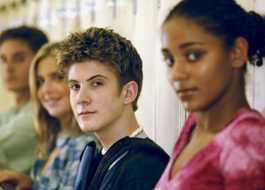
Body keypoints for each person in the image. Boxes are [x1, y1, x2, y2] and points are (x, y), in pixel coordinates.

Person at [155, 0, 265, 189]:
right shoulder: (193, 127)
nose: (176, 74)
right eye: (170, 60)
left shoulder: (250, 142)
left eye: (193, 56)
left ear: (237, 53)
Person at [57, 27, 169, 190]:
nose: (81, 98)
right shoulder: (98, 156)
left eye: (96, 83)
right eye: (75, 86)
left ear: (128, 93)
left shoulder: (142, 166)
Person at [0, 42, 95, 190]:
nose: (46, 90)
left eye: (57, 77)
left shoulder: (82, 145)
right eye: (40, 82)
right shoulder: (52, 140)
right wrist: (30, 185)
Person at [0, 26, 48, 173]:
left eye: (18, 58)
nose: (8, 68)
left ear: (40, 62)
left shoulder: (42, 114)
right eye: (3, 59)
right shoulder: (10, 114)